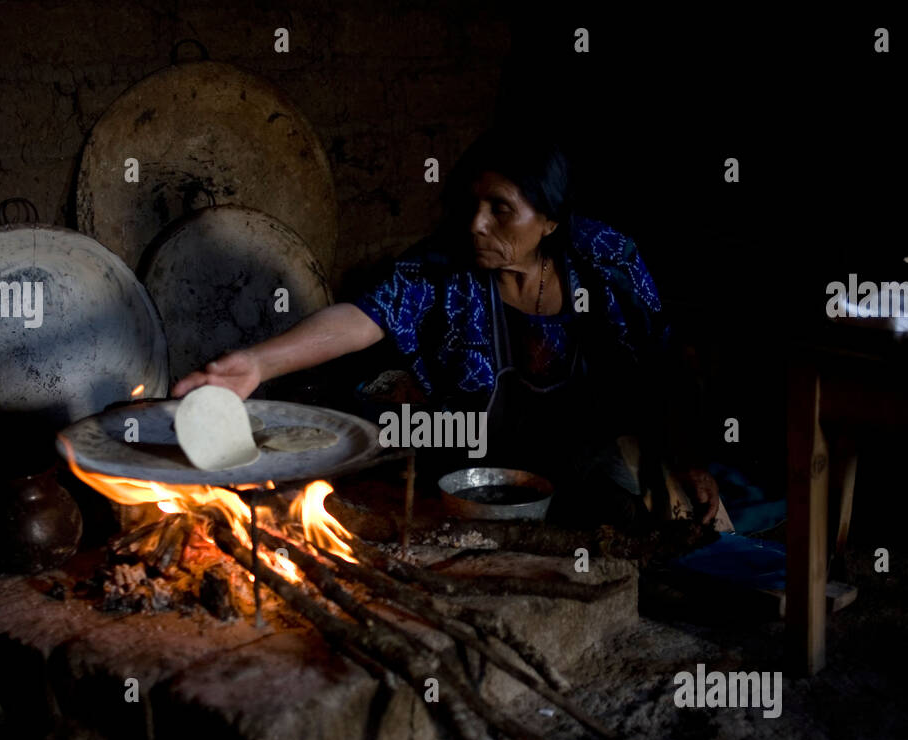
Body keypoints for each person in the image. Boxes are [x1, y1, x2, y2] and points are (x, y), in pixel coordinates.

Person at [174, 126, 727, 528]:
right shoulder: (444, 264)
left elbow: (664, 359)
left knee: (683, 536)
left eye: (501, 209)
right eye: (471, 204)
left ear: (552, 221)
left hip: (592, 450)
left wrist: (690, 458)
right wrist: (259, 363)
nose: (476, 224)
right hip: (478, 463)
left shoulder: (606, 260)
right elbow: (363, 317)